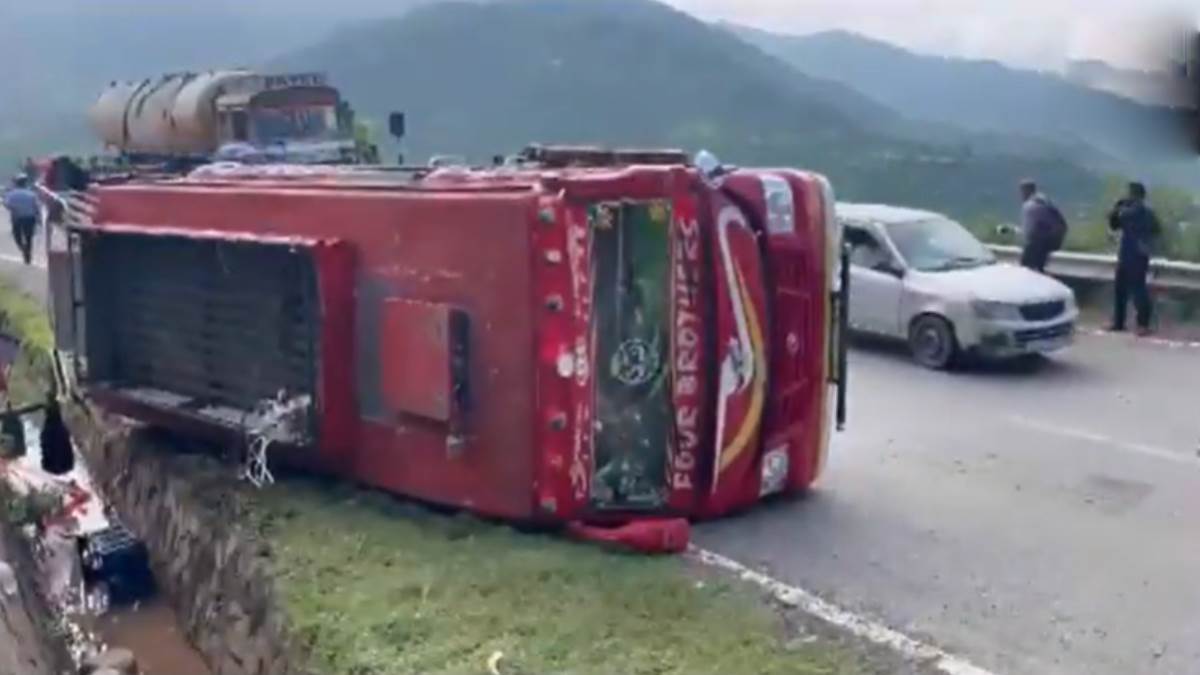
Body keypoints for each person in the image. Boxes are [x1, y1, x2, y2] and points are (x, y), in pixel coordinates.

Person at [1108, 181, 1161, 335]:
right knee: (1135, 289)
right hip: (1139, 254)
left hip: (1129, 254)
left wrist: (1117, 206)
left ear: (1134, 194)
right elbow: (1157, 230)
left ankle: (1121, 323)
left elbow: (1113, 223)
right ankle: (1140, 324)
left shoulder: (1128, 211)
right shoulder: (1149, 212)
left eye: (1129, 192)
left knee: (1127, 290)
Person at [1018, 180, 1067, 273]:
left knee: (1025, 268)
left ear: (1026, 190)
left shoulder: (1033, 205)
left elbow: (1033, 225)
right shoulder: (1042, 201)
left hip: (1038, 241)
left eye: (1022, 190)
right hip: (1044, 242)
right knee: (1037, 268)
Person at [2, 174, 40, 265]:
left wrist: (13, 209)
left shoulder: (12, 194)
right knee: (29, 237)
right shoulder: (31, 194)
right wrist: (38, 219)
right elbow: (36, 206)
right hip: (30, 218)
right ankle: (28, 254)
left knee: (17, 235)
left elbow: (6, 204)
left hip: (17, 217)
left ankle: (23, 248)